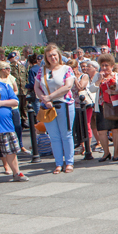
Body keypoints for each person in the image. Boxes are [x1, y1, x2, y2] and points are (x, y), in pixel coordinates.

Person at [35, 44, 77, 174]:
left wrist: (50, 97)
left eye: (54, 55)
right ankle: (58, 163)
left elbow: (67, 86)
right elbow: (36, 87)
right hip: (48, 106)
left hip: (64, 103)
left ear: (59, 55)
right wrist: (45, 99)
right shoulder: (42, 70)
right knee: (54, 136)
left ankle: (69, 162)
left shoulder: (66, 69)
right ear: (46, 58)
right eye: (49, 56)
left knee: (66, 134)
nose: (53, 58)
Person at [95, 53, 118, 161]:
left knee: (115, 129)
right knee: (101, 131)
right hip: (101, 106)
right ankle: (106, 153)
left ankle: (116, 153)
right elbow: (91, 89)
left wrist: (114, 91)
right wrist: (99, 80)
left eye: (106, 65)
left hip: (114, 105)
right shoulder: (98, 76)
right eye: (102, 65)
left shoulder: (117, 76)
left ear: (112, 66)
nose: (104, 68)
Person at [72, 60, 95, 161]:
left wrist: (74, 78)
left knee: (86, 124)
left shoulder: (84, 76)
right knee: (78, 126)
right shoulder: (67, 77)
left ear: (76, 68)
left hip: (84, 104)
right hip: (73, 104)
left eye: (72, 68)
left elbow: (80, 87)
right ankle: (82, 145)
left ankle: (88, 148)